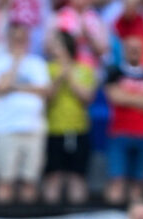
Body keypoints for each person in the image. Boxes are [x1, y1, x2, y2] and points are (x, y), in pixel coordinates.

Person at [0, 23, 50, 204]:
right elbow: (0, 88)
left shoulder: (38, 63)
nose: (19, 42)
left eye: (23, 38)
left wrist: (14, 86)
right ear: (8, 39)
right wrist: (15, 63)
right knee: (4, 181)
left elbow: (45, 91)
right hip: (5, 129)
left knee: (30, 182)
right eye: (15, 38)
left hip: (34, 128)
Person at [103, 35, 143, 204]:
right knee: (116, 180)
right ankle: (113, 216)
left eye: (137, 48)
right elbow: (115, 97)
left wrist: (128, 97)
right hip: (119, 134)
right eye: (130, 48)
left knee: (139, 182)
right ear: (124, 50)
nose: (134, 51)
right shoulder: (114, 73)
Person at [44, 30, 94, 205]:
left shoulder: (84, 69)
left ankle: (78, 216)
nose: (52, 48)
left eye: (56, 45)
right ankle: (50, 216)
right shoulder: (47, 69)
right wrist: (59, 78)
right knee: (53, 177)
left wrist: (70, 76)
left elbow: (87, 98)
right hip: (53, 129)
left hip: (78, 129)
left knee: (77, 177)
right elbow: (46, 98)